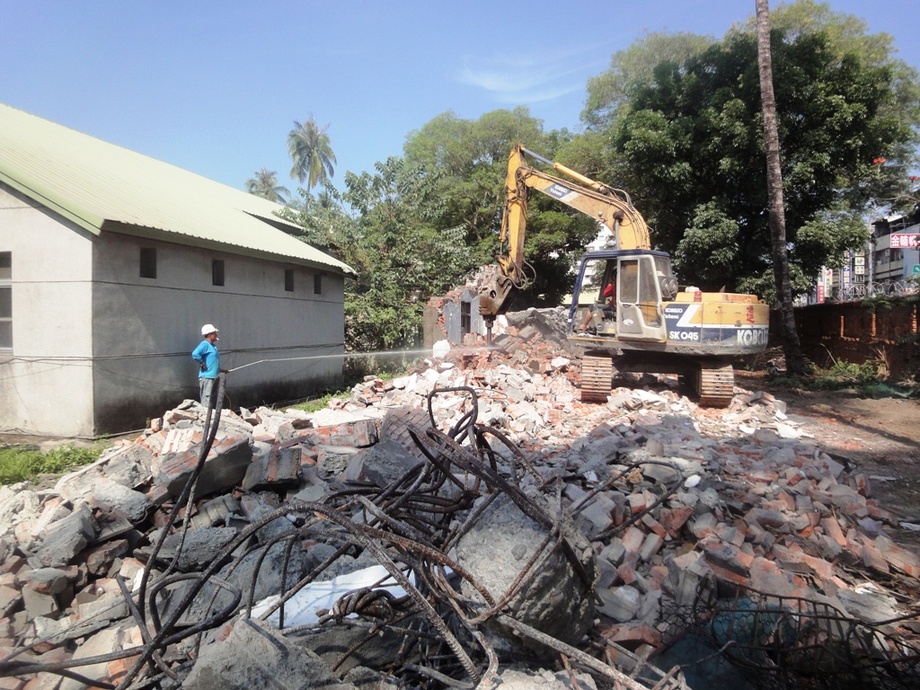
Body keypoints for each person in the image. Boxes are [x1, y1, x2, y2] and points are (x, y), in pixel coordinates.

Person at [192, 323, 224, 408]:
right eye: (215, 333)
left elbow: (212, 362)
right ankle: (205, 417)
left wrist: (220, 370)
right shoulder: (205, 344)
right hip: (207, 378)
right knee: (207, 399)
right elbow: (195, 354)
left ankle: (211, 417)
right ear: (210, 335)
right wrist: (202, 363)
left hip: (214, 377)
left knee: (213, 399)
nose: (216, 335)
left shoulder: (213, 346)